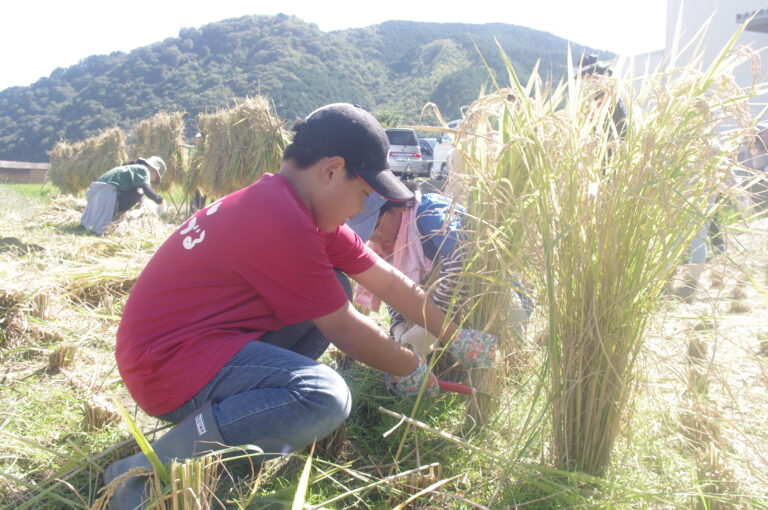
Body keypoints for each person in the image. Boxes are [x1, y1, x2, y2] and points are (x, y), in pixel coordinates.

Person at [103, 103, 497, 509]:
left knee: (335, 290)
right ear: (330, 170)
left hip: (195, 348)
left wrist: (456, 336)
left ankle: (234, 437)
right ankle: (142, 477)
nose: (361, 209)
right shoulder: (280, 220)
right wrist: (412, 369)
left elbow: (385, 280)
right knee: (325, 397)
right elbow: (345, 329)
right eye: (363, 192)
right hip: (166, 368)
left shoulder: (293, 206)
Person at [349, 181, 532, 363]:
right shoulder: (387, 243)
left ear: (397, 207)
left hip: (495, 303)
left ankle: (505, 356)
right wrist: (399, 328)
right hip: (451, 315)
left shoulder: (428, 214)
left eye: (377, 225)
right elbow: (393, 288)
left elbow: (462, 259)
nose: (375, 236)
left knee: (503, 358)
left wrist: (429, 327)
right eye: (368, 233)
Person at [80, 156, 167, 235]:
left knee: (139, 192)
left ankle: (115, 216)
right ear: (154, 170)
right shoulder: (144, 170)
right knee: (139, 192)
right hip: (105, 193)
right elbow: (146, 189)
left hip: (96, 193)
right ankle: (116, 218)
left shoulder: (132, 168)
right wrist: (159, 200)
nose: (153, 180)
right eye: (156, 177)